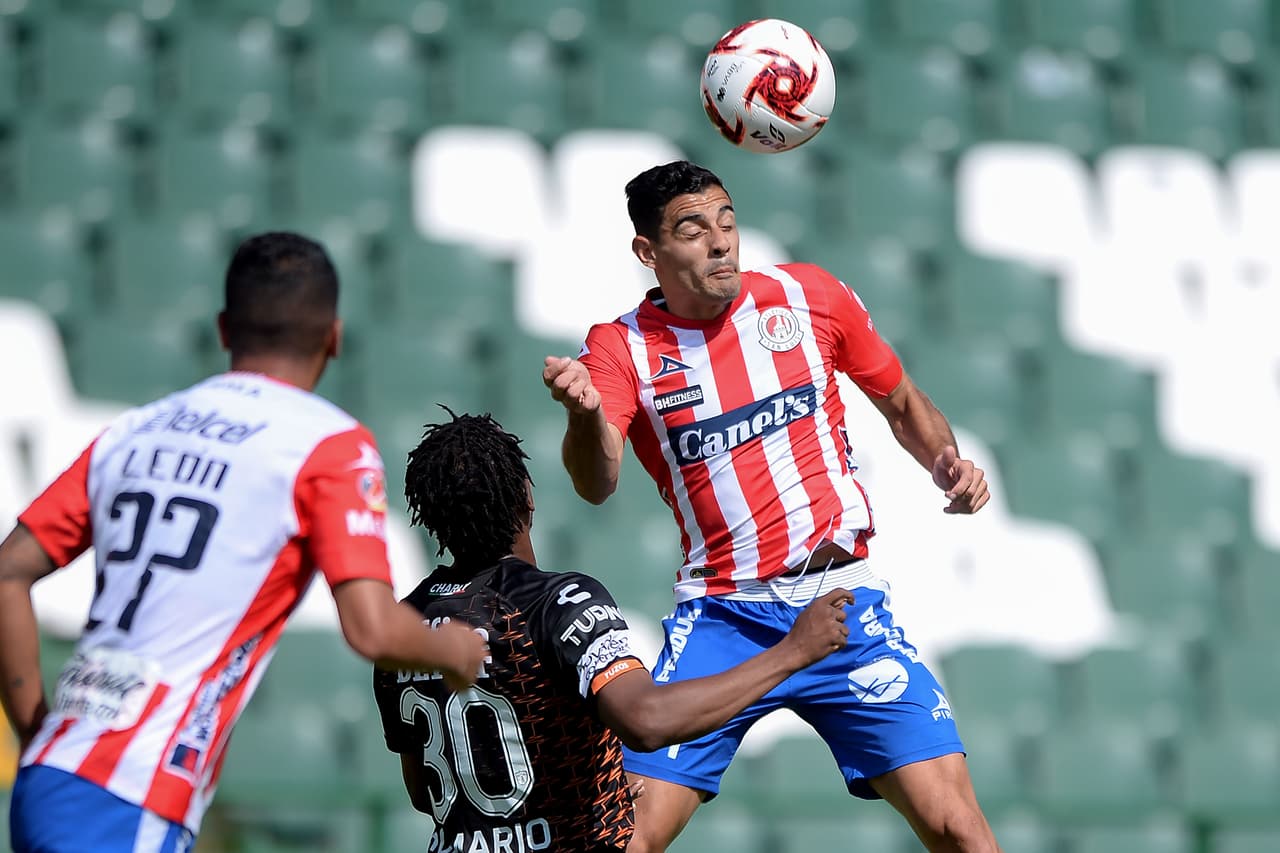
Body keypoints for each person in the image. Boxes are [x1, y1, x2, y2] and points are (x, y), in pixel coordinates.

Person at [542, 160, 1000, 852]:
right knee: (625, 840)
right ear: (648, 253)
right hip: (726, 612)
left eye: (727, 220)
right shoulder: (623, 346)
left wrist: (945, 462)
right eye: (693, 230)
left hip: (841, 603)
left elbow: (902, 402)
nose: (721, 241)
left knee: (960, 828)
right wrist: (581, 416)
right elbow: (596, 479)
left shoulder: (807, 295)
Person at [0, 231, 488, 852]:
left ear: (225, 328)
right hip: (131, 790)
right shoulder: (327, 445)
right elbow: (374, 630)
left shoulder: (133, 431)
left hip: (53, 774)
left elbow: (6, 572)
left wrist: (39, 730)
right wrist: (456, 651)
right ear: (334, 337)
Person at [372, 409, 854, 853]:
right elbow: (646, 720)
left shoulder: (403, 626)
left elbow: (422, 790)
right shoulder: (556, 601)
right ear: (527, 496)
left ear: (430, 517)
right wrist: (792, 651)